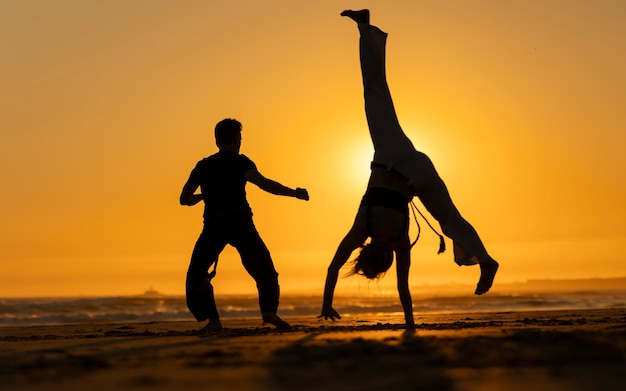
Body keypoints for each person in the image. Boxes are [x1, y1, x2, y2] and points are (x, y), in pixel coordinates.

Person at [319, 10, 499, 329]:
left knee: (449, 219)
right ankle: (364, 27)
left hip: (418, 171)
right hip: (392, 153)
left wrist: (411, 325)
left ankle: (486, 260)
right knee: (375, 91)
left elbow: (403, 289)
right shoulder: (363, 230)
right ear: (365, 252)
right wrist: (326, 302)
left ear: (384, 260)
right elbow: (333, 267)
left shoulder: (400, 242)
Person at [180, 118, 309, 331]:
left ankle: (213, 320)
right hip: (239, 222)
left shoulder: (203, 166)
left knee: (197, 273)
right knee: (265, 270)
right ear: (235, 139)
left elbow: (184, 199)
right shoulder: (241, 162)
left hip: (214, 224)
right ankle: (268, 312)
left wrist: (204, 196)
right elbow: (266, 184)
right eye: (239, 138)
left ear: (217, 140)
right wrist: (294, 193)